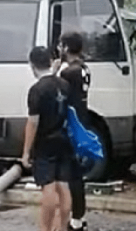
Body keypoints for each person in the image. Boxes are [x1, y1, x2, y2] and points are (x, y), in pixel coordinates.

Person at [21, 47, 76, 231]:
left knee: (49, 189)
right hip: (64, 139)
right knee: (64, 186)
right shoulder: (64, 85)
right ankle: (61, 227)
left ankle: (45, 229)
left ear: (32, 65)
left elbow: (33, 123)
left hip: (45, 143)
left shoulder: (37, 90)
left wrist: (26, 152)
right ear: (50, 62)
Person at [56, 32, 91, 231]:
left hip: (70, 126)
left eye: (61, 46)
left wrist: (56, 71)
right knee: (77, 174)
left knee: (71, 175)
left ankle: (75, 221)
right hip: (82, 123)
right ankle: (79, 217)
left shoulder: (68, 72)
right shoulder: (83, 68)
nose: (59, 49)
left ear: (67, 48)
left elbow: (55, 91)